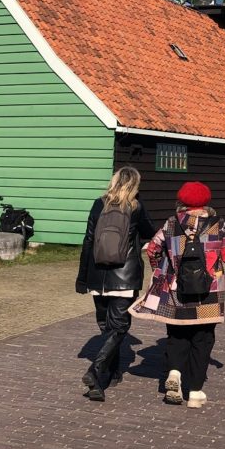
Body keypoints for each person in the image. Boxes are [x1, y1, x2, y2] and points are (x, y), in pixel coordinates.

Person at [131, 181, 225, 409]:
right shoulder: (217, 224)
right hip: (209, 292)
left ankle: (174, 373)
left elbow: (152, 248)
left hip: (177, 290)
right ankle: (195, 392)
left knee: (177, 334)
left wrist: (161, 269)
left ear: (182, 200)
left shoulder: (172, 223)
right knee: (203, 339)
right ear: (206, 200)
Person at [75, 166, 156, 402]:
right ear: (135, 185)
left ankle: (108, 375)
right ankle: (96, 371)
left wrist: (82, 277)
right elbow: (151, 231)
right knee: (119, 328)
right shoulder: (135, 206)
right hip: (125, 276)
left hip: (98, 275)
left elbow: (88, 241)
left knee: (106, 326)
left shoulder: (98, 204)